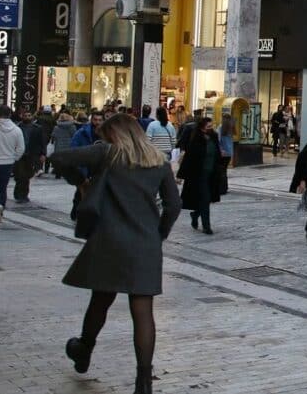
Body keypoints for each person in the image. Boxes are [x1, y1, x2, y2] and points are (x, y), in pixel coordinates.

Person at [49, 113, 180, 394]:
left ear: (115, 134)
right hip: (145, 243)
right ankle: (143, 383)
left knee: (100, 300)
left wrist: (81, 182)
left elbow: (58, 158)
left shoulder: (107, 153)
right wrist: (159, 233)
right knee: (143, 311)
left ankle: (84, 349)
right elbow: (174, 205)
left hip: (109, 240)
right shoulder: (159, 161)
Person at [177, 117, 224, 235]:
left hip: (212, 174)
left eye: (211, 126)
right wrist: (180, 175)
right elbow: (189, 157)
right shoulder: (196, 139)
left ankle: (195, 214)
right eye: (208, 127)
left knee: (207, 199)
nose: (211, 128)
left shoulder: (213, 137)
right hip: (199, 174)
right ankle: (206, 226)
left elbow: (217, 154)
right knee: (205, 198)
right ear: (202, 128)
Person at [13, 111, 46, 203]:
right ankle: (20, 194)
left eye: (29, 115)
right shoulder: (17, 127)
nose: (27, 117)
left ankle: (23, 194)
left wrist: (43, 154)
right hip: (19, 154)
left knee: (27, 175)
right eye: (25, 115)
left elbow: (42, 142)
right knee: (20, 175)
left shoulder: (37, 128)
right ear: (22, 116)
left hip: (32, 154)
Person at [51, 112, 78, 178]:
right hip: (69, 145)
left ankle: (58, 174)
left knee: (59, 160)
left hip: (59, 145)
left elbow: (54, 136)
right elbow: (75, 135)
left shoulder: (56, 127)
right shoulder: (72, 126)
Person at [36, 107, 56, 176]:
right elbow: (54, 128)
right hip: (49, 137)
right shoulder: (52, 119)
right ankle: (46, 169)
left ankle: (40, 167)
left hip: (40, 137)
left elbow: (36, 126)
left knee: (40, 152)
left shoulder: (40, 118)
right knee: (48, 153)